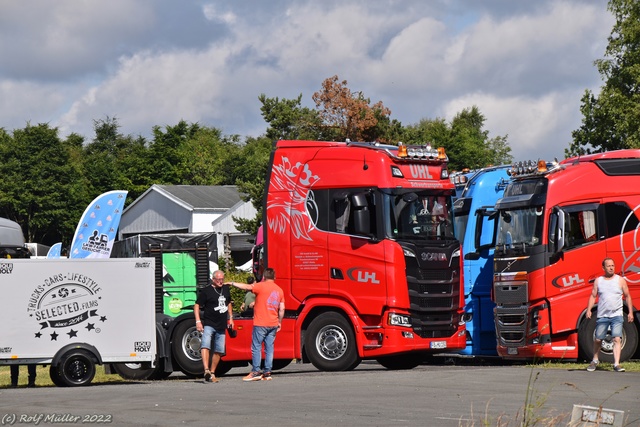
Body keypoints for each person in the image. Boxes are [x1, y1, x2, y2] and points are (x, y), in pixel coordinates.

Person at [230, 268, 285, 381]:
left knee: (256, 347)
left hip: (261, 322)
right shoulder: (279, 290)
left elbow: (246, 287)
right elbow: (282, 309)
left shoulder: (260, 286)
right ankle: (267, 372)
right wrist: (280, 322)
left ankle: (255, 371)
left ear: (264, 277)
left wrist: (232, 283)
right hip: (273, 323)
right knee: (269, 348)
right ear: (275, 277)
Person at [586, 258, 634, 372]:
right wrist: (588, 310)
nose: (611, 268)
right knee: (598, 339)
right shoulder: (599, 281)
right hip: (602, 315)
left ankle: (616, 364)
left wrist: (631, 312)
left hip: (617, 315)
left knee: (617, 338)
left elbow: (628, 296)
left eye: (613, 265)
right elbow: (593, 296)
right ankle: (595, 360)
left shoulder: (620, 280)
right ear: (603, 268)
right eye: (608, 266)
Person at [194, 270, 234, 383]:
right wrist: (198, 321)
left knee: (219, 350)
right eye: (219, 280)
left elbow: (229, 302)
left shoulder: (225, 289)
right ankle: (206, 369)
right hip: (209, 323)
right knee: (205, 345)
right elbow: (197, 305)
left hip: (221, 325)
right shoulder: (207, 291)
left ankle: (212, 373)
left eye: (222, 279)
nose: (221, 282)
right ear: (213, 280)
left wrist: (231, 318)